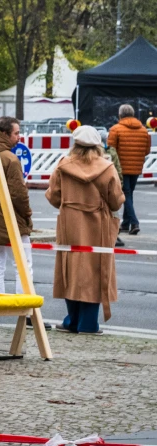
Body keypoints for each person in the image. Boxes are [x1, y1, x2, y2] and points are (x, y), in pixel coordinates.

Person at [47, 124, 124, 334]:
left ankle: (72, 320)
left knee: (69, 270)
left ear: (75, 144)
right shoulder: (107, 168)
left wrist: (70, 205)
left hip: (69, 224)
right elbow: (116, 201)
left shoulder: (63, 165)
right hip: (97, 224)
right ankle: (88, 324)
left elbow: (53, 196)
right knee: (95, 270)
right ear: (98, 145)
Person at [0, 116, 32, 293]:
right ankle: (25, 309)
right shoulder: (10, 159)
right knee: (23, 266)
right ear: (4, 134)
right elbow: (19, 195)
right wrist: (27, 215)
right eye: (16, 133)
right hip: (12, 218)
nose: (19, 137)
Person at [105, 104, 147, 236]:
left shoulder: (115, 129)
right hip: (136, 167)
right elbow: (146, 150)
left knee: (126, 194)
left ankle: (134, 222)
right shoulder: (143, 130)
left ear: (120, 114)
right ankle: (125, 224)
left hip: (121, 167)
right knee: (129, 194)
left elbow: (111, 150)